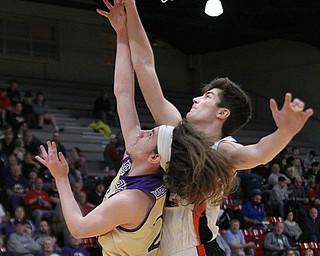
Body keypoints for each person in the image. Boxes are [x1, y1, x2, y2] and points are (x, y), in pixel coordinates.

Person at [96, 0, 313, 255]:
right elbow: (144, 67)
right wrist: (131, 9)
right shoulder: (173, 129)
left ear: (223, 113)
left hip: (195, 249)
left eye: (208, 96)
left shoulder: (222, 150)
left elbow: (258, 154)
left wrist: (285, 132)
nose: (197, 98)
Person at [36, 4, 234, 255]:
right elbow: (123, 94)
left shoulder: (134, 199)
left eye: (149, 134)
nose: (140, 132)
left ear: (154, 156)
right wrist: (120, 32)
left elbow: (78, 228)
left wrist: (61, 177)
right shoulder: (140, 159)